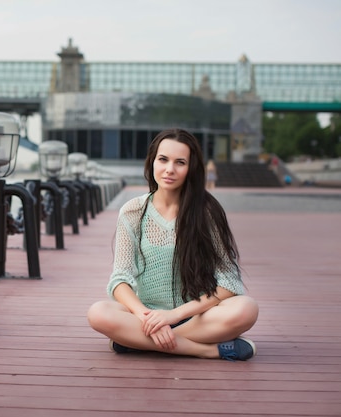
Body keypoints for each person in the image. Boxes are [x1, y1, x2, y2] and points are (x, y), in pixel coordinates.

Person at [87, 128, 259, 361]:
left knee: (246, 309)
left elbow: (229, 280)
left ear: (191, 168)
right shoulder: (133, 211)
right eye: (163, 159)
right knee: (98, 313)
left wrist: (173, 317)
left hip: (197, 314)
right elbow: (120, 279)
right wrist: (147, 317)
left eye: (180, 162)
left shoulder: (207, 212)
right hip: (147, 314)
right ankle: (206, 350)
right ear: (152, 162)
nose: (169, 169)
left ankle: (137, 342)